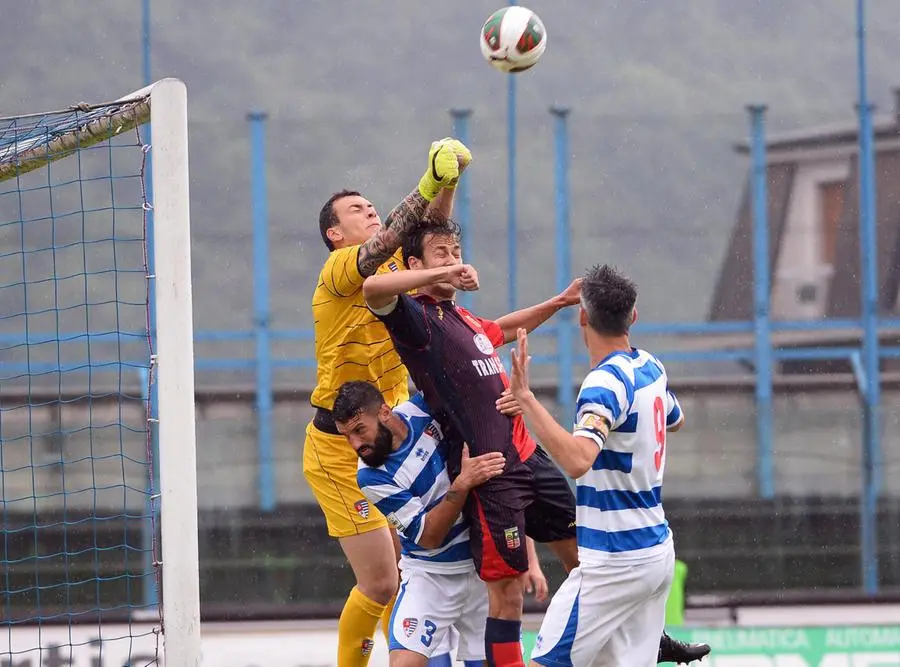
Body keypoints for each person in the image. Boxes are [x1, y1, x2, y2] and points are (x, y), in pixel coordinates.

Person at [360, 216, 711, 667]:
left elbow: (501, 330)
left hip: (530, 456)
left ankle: (648, 632)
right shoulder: (416, 320)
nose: (453, 262)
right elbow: (373, 289)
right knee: (508, 593)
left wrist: (561, 301)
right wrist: (440, 275)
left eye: (456, 254)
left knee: (585, 558)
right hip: (494, 473)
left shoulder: (460, 317)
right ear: (415, 264)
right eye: (440, 255)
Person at [302, 138, 471, 667]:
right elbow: (386, 245)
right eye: (356, 209)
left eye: (371, 204)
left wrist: (447, 182)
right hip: (339, 449)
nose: (369, 210)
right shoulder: (338, 271)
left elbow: (429, 237)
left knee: (406, 570)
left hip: (394, 434)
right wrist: (426, 183)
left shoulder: (398, 258)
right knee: (380, 580)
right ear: (335, 234)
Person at [507, 263, 707, 666]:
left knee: (546, 661)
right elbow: (676, 420)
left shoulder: (603, 384)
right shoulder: (650, 366)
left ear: (582, 315)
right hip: (655, 550)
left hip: (614, 560)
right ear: (633, 316)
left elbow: (578, 460)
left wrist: (527, 400)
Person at [333, 381, 547, 667]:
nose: (356, 445)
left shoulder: (423, 410)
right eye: (347, 436)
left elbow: (504, 487)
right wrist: (462, 483)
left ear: (385, 412)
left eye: (359, 430)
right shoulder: (370, 477)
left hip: (480, 570)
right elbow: (429, 536)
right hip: (430, 577)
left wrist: (512, 399)